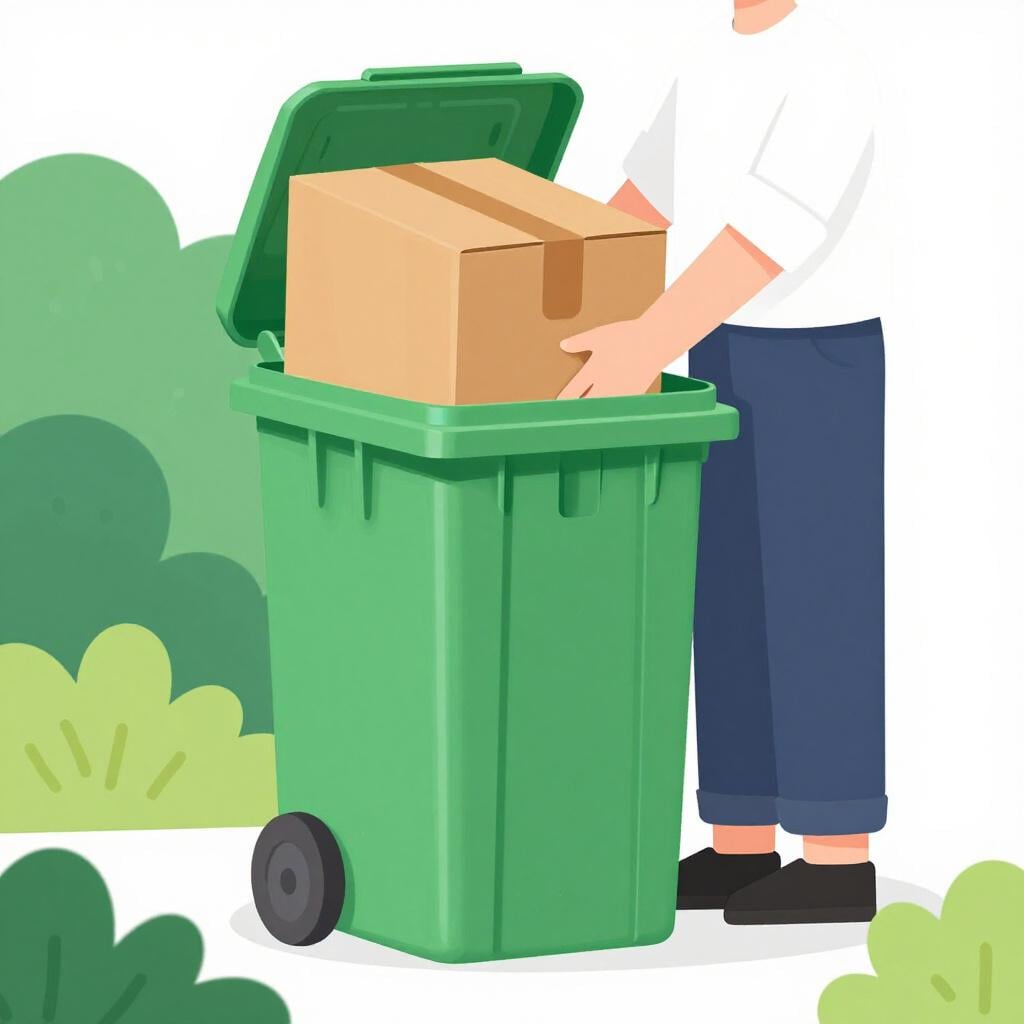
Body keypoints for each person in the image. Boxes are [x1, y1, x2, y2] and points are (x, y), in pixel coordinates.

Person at [559, 0, 886, 924]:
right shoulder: (706, 58)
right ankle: (741, 836)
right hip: (722, 349)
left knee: (817, 600)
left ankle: (835, 853)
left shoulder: (828, 61)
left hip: (816, 354)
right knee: (727, 592)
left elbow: (770, 235)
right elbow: (642, 204)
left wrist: (649, 337)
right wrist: (545, 274)